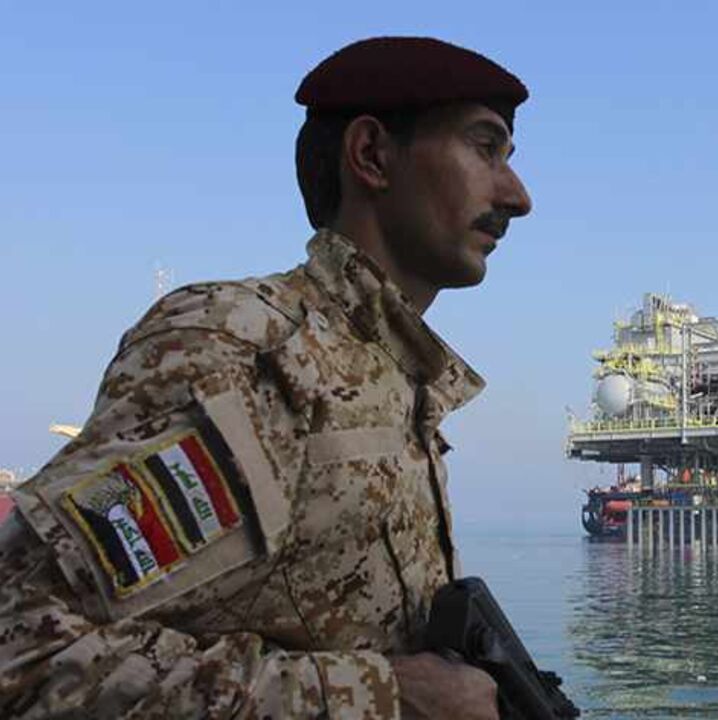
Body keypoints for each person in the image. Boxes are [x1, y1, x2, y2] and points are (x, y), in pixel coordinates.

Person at [0, 36, 532, 719]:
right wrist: (384, 697)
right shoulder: (248, 348)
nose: (518, 196)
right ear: (371, 155)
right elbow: (20, 654)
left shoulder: (396, 381)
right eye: (485, 148)